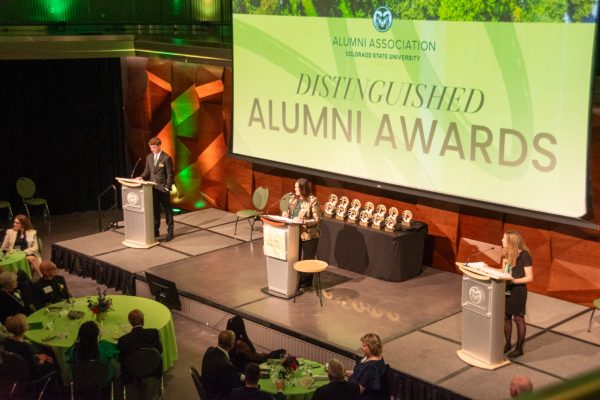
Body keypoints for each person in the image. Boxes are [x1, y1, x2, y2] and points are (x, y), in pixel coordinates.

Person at [282, 178, 321, 287]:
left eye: (297, 187)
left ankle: (307, 281)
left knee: (308, 259)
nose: (295, 189)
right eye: (295, 187)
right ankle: (296, 278)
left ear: (303, 188)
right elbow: (290, 214)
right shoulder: (293, 199)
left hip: (309, 235)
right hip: (294, 233)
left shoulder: (313, 200)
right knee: (295, 257)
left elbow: (317, 219)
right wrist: (285, 213)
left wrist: (303, 221)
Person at [502, 230, 534, 358]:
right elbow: (503, 271)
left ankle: (519, 348)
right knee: (506, 317)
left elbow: (530, 277)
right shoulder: (506, 253)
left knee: (518, 319)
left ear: (511, 242)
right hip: (506, 289)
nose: (502, 241)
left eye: (504, 239)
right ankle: (508, 344)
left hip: (518, 291)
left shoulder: (525, 256)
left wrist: (513, 281)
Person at [137, 137, 175, 241]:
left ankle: (170, 232)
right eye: (151, 147)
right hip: (152, 188)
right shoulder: (149, 157)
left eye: (154, 147)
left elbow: (170, 175)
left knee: (167, 211)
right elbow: (147, 171)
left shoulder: (166, 158)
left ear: (159, 146)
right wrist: (141, 177)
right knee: (155, 211)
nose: (152, 149)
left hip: (163, 189)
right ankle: (155, 231)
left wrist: (167, 188)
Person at [2, 314, 55, 379]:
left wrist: (37, 356)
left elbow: (23, 357)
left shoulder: (6, 341)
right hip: (30, 374)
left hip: (17, 370)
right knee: (53, 358)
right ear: (24, 328)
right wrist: (43, 359)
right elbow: (36, 368)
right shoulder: (25, 347)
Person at [117, 309, 163, 384]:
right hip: (152, 366)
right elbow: (160, 350)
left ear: (130, 322)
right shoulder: (154, 333)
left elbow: (121, 359)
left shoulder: (123, 340)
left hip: (131, 370)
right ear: (142, 320)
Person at [346, 333, 387, 400]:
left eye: (364, 346)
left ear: (372, 348)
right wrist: (343, 372)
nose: (361, 347)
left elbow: (360, 390)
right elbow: (359, 373)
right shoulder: (371, 356)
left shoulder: (371, 367)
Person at [201, 330, 240, 400]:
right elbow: (232, 389)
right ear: (231, 345)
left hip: (208, 389)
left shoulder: (209, 350)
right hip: (218, 396)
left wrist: (243, 377)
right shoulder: (227, 365)